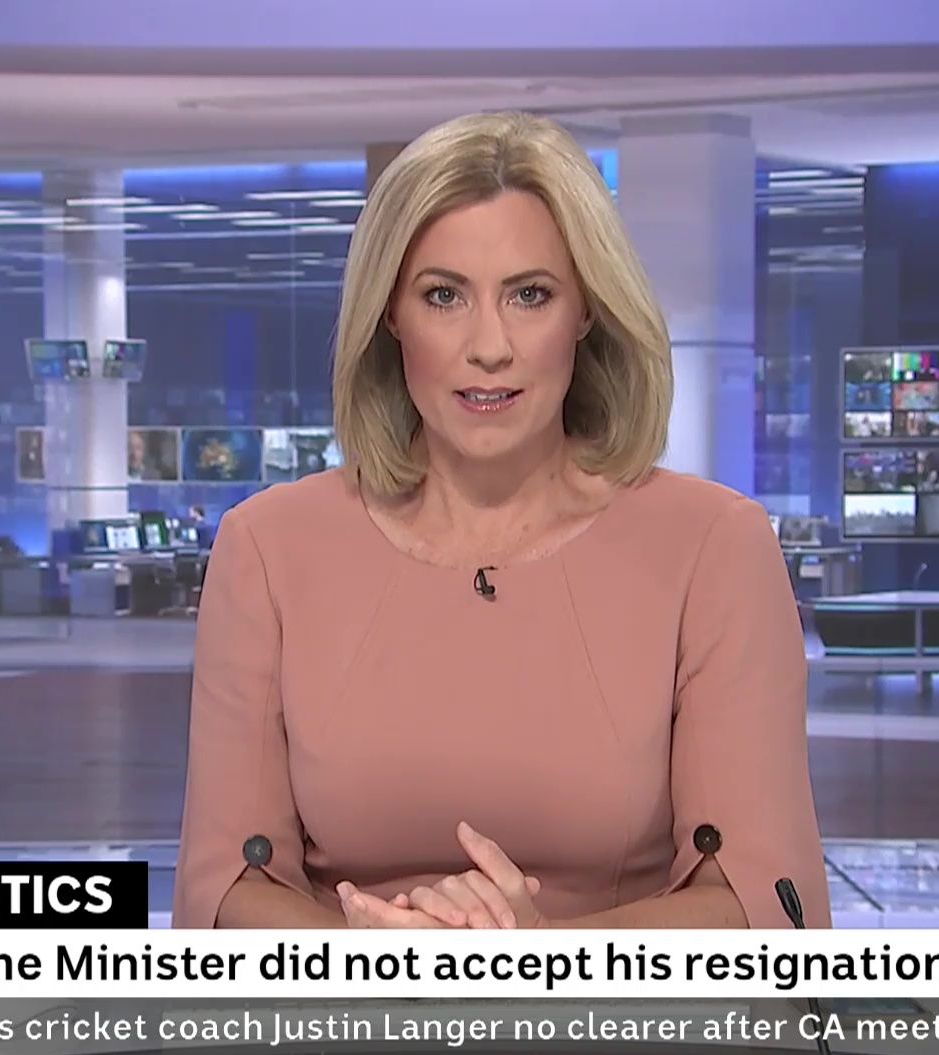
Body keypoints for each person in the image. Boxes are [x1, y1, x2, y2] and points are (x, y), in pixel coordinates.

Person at [172, 111, 828, 932]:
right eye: (443, 296)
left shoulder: (713, 548)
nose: (490, 345)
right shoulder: (268, 549)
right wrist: (371, 961)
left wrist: (534, 964)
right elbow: (223, 890)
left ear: (586, 310)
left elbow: (770, 907)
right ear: (390, 313)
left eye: (530, 295)